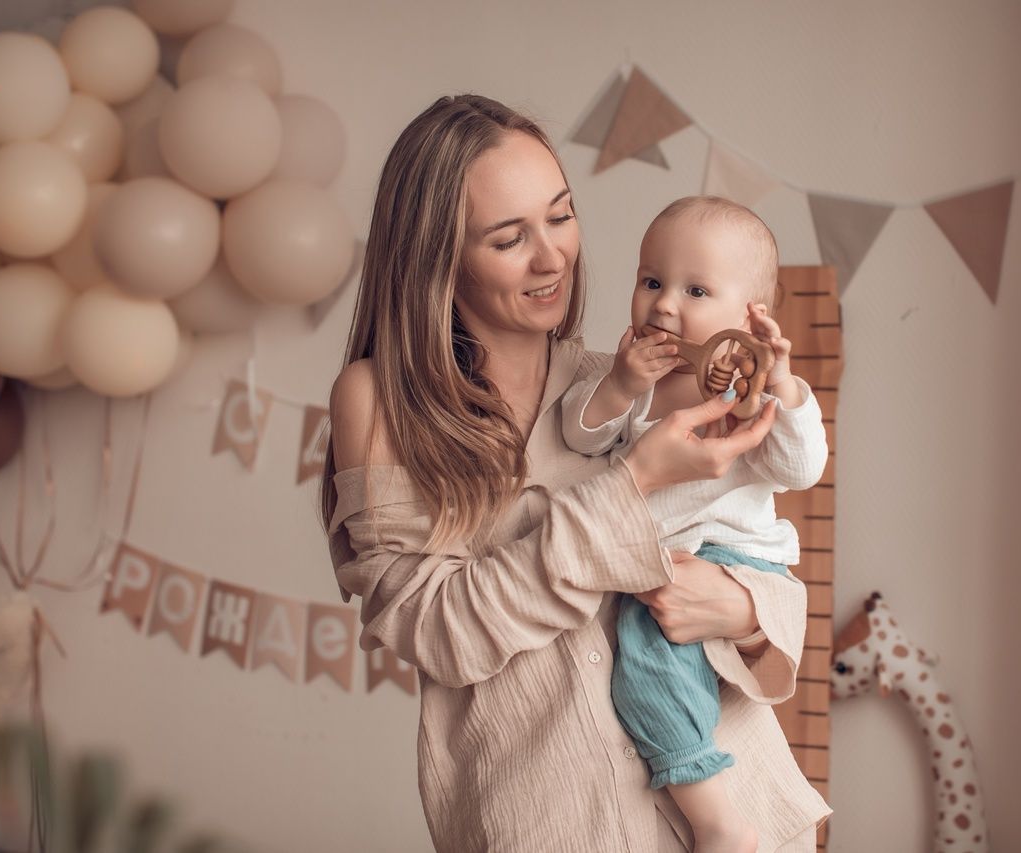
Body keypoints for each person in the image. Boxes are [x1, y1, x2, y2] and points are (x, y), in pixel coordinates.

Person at [321, 95, 832, 852]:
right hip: (555, 824)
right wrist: (631, 488)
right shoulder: (383, 401)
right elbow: (434, 628)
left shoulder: (628, 388)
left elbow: (772, 571)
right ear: (439, 257)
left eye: (560, 217)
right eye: (508, 237)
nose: (552, 256)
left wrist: (738, 606)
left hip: (742, 817)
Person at [559, 196, 829, 852]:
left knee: (646, 670)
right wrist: (620, 385)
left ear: (749, 319)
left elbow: (802, 467)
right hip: (657, 570)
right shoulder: (640, 385)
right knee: (647, 670)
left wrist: (785, 387)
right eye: (651, 280)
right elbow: (580, 436)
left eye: (696, 289)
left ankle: (717, 820)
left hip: (734, 560)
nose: (664, 304)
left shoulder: (754, 394)